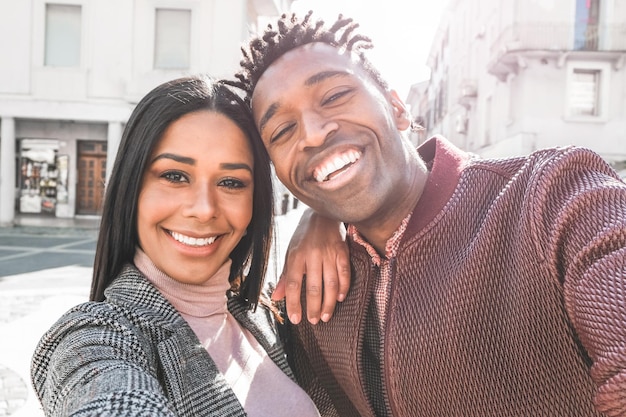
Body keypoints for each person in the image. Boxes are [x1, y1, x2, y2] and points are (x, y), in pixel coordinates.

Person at [228, 11, 626, 417]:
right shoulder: (305, 296)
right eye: (281, 131)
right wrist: (320, 214)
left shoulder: (552, 194)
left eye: (334, 96)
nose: (312, 132)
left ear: (399, 109)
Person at [30, 75, 332, 417]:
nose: (204, 209)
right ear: (132, 188)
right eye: (174, 176)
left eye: (231, 182)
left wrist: (325, 215)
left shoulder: (262, 314)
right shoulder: (94, 338)